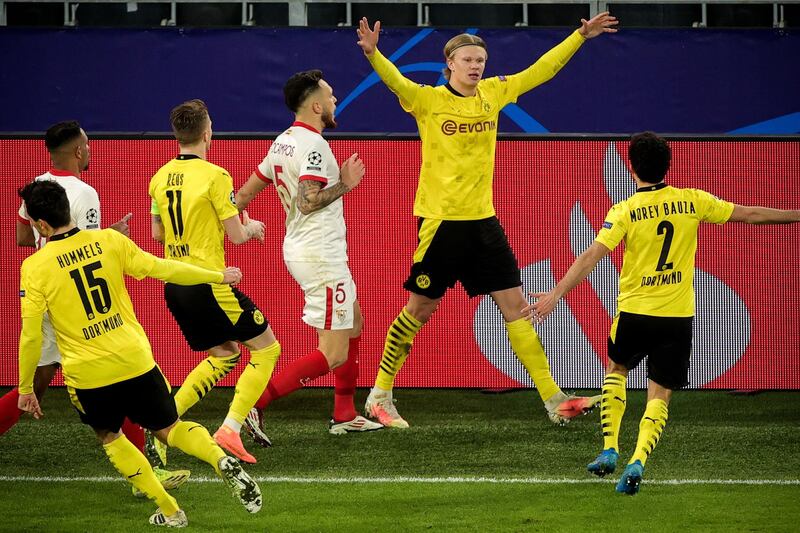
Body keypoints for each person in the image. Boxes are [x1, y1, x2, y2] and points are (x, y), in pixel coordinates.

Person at [355, 14, 617, 427]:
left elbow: (540, 71)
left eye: (481, 59)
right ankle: (379, 395)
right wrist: (373, 53)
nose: (476, 65)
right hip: (441, 222)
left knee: (516, 307)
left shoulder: (493, 94)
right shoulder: (429, 101)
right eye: (468, 59)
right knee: (419, 309)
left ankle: (554, 401)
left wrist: (579, 36)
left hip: (483, 223)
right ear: (450, 65)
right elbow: (397, 83)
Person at [526, 132, 800, 494]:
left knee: (617, 371)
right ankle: (638, 459)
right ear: (668, 165)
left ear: (631, 167)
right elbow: (750, 215)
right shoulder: (693, 200)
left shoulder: (624, 210)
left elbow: (592, 255)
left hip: (635, 313)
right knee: (660, 394)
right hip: (676, 318)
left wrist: (556, 294)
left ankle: (609, 449)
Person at [17, 180, 262, 527]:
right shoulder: (109, 240)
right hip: (135, 360)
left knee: (110, 436)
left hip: (88, 374)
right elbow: (165, 268)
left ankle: (171, 510)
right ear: (68, 210)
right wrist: (216, 275)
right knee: (170, 429)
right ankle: (217, 457)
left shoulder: (35, 267)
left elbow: (30, 336)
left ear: (41, 225)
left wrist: (26, 389)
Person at [2, 120, 188, 495]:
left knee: (41, 382)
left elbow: (25, 238)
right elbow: (85, 253)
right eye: (87, 145)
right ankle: (145, 475)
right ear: (78, 151)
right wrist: (114, 238)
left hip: (50, 292)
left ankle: (144, 472)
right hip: (76, 305)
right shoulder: (83, 193)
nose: (90, 151)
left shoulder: (37, 187)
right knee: (110, 378)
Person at [235, 70, 382, 444]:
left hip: (303, 249)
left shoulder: (282, 141)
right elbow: (308, 200)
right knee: (332, 353)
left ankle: (345, 413)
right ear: (316, 105)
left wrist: (239, 220)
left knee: (355, 325)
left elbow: (243, 194)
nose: (335, 102)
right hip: (319, 254)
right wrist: (345, 184)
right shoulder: (315, 147)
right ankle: (255, 404)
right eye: (331, 97)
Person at [149, 99, 281, 465]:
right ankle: (231, 428)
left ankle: (159, 426)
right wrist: (252, 227)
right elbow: (237, 236)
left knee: (225, 354)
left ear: (177, 135)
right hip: (209, 282)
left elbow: (157, 234)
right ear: (207, 133)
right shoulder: (216, 175)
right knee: (267, 349)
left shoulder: (158, 178)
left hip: (175, 284)